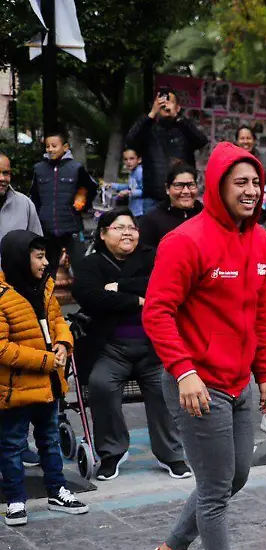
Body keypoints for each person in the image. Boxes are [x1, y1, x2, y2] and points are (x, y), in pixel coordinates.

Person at [138, 141, 266, 550]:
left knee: (233, 477)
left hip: (240, 381)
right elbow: (157, 313)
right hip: (197, 384)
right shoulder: (186, 240)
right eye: (240, 182)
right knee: (216, 487)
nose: (251, 190)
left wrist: (265, 373)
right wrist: (183, 372)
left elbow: (261, 312)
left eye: (255, 182)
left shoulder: (261, 241)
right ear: (217, 187)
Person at [70, 208, 189, 481]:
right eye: (119, 227)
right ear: (102, 234)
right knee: (100, 384)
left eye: (132, 228)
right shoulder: (90, 264)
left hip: (154, 347)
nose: (127, 232)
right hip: (111, 348)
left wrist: (120, 286)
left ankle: (171, 453)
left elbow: (165, 285)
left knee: (165, 387)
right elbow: (91, 297)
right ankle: (112, 452)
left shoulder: (153, 256)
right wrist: (136, 300)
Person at [0, 230, 88, 527]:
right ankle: (14, 499)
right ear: (19, 259)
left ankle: (57, 490)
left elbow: (59, 322)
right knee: (12, 444)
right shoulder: (1, 295)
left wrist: (64, 343)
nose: (46, 263)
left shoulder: (45, 287)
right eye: (39, 257)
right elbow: (2, 348)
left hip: (49, 384)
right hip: (17, 388)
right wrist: (47, 361)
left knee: (49, 439)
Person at [125, 87, 209, 209]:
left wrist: (178, 117)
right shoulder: (148, 129)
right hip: (153, 198)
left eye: (170, 102)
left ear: (178, 107)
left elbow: (201, 141)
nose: (165, 105)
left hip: (182, 197)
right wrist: (151, 114)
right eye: (161, 102)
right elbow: (130, 142)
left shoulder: (184, 127)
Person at [29, 130, 97, 280]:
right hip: (47, 228)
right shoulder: (39, 169)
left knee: (81, 267)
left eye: (54, 146)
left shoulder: (76, 168)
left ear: (65, 147)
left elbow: (91, 188)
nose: (50, 149)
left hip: (72, 225)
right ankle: (47, 301)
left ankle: (85, 300)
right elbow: (34, 196)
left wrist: (83, 203)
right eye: (47, 146)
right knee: (47, 269)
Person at [139, 165, 203, 249]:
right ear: (167, 189)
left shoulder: (206, 215)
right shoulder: (151, 219)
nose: (186, 191)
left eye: (191, 185)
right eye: (179, 185)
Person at [0, 152, 42, 256]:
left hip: (16, 272)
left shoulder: (24, 204)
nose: (2, 178)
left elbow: (38, 246)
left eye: (6, 173)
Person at [111, 148, 152, 217]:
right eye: (125, 159)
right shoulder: (133, 172)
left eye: (132, 158)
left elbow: (146, 191)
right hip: (134, 210)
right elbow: (130, 186)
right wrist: (112, 185)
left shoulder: (140, 172)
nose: (128, 162)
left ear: (139, 160)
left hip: (141, 210)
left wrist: (129, 192)